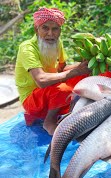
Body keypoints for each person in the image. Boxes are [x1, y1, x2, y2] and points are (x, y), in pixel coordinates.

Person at [15, 7, 91, 135]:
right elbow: (41, 80)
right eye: (45, 28)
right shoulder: (27, 48)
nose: (50, 33)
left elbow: (62, 69)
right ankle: (49, 121)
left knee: (86, 75)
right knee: (62, 89)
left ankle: (68, 111)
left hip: (50, 90)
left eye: (55, 29)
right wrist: (75, 72)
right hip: (32, 98)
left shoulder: (57, 43)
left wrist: (83, 66)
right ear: (36, 29)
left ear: (60, 31)